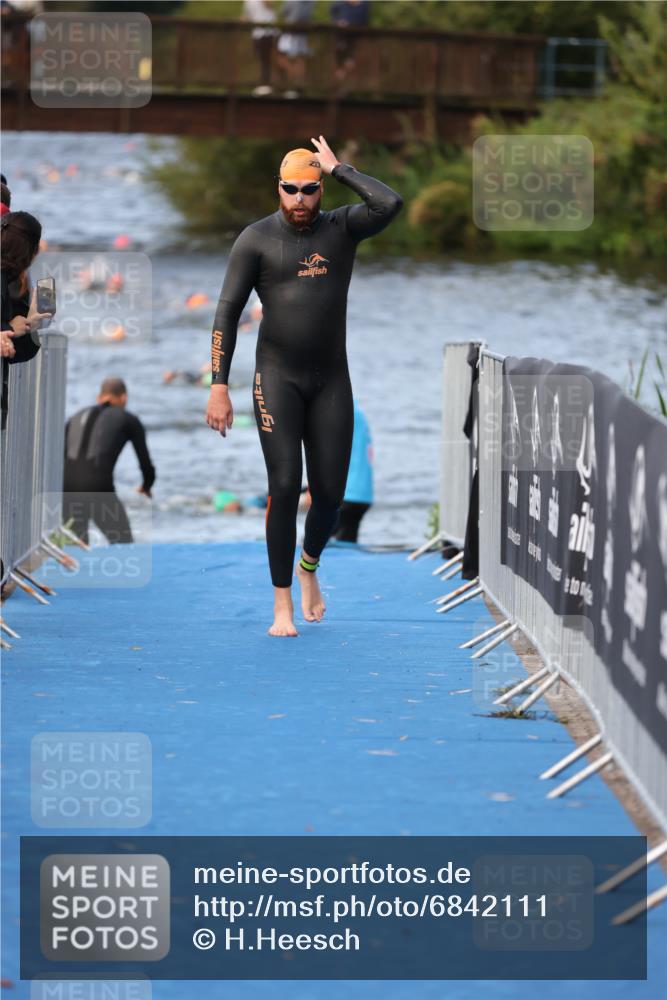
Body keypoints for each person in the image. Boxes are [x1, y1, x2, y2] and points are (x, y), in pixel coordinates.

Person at [205, 135, 402, 636]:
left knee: (331, 494)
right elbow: (227, 311)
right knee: (286, 486)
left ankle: (309, 566)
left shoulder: (341, 228)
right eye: (290, 189)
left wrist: (341, 170)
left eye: (309, 190)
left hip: (331, 377)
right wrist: (218, 385)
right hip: (277, 378)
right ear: (278, 188)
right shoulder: (255, 239)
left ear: (320, 190)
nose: (299, 199)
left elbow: (388, 203)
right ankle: (281, 606)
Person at [63, 377, 155, 544]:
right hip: (98, 487)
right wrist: (146, 486)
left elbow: (62, 456)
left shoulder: (75, 416)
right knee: (124, 545)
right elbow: (145, 463)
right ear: (123, 398)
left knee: (76, 548)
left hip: (66, 488)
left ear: (100, 397)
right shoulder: (128, 419)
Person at [1, 211, 51, 427]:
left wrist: (31, 324)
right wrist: (8, 328)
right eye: (35, 249)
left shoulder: (10, 279)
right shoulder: (5, 280)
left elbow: (15, 352)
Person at [333, 400, 373, 542]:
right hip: (364, 494)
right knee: (347, 542)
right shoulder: (358, 414)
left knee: (314, 541)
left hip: (347, 492)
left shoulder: (342, 411)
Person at [276, 0, 314, 99]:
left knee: (283, 58)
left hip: (291, 31)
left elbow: (284, 11)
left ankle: (295, 85)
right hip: (302, 32)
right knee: (299, 60)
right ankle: (298, 85)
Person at [243, 0, 279, 96]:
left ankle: (268, 85)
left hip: (269, 32)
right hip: (256, 33)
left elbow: (270, 4)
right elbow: (248, 15)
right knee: (260, 59)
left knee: (268, 59)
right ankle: (263, 85)